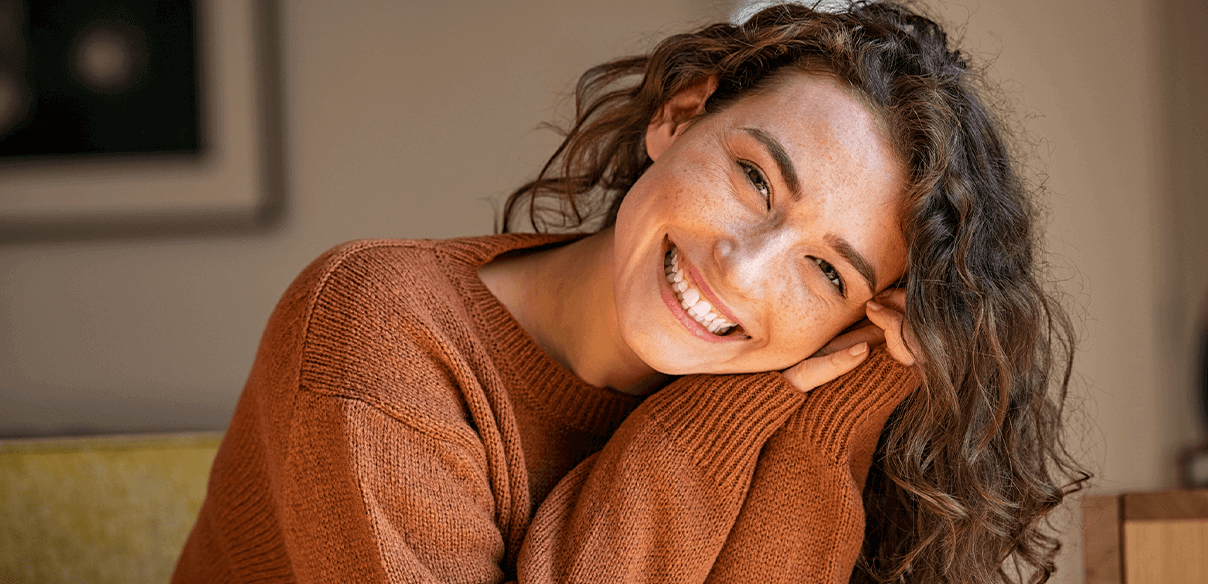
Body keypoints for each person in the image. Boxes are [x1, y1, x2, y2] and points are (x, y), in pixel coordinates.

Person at [173, 1, 1087, 582]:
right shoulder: (379, 327)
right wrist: (699, 429)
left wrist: (828, 407)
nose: (744, 266)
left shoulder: (794, 401)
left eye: (827, 270)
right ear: (680, 114)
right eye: (757, 180)